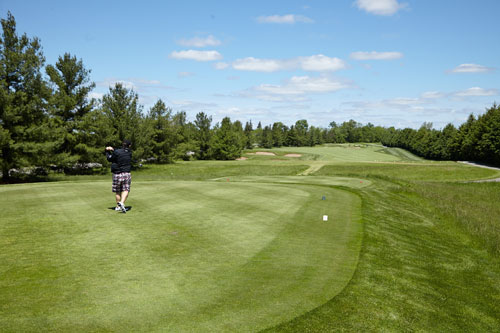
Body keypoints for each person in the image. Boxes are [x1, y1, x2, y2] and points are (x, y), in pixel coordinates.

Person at [105, 140, 132, 213]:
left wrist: (107, 151)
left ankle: (118, 207)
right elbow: (120, 152)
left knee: (118, 191)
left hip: (117, 174)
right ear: (129, 146)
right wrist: (113, 149)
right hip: (127, 173)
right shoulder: (129, 152)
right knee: (126, 189)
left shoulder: (117, 152)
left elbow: (110, 159)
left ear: (122, 144)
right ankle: (122, 203)